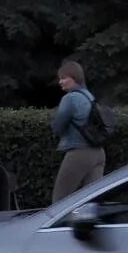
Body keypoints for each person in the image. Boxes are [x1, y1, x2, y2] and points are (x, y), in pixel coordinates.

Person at [50, 60, 106, 202]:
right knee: (91, 202)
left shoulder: (70, 98)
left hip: (79, 153)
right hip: (99, 153)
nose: (60, 82)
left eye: (63, 78)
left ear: (74, 78)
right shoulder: (90, 96)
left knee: (60, 201)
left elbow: (57, 126)